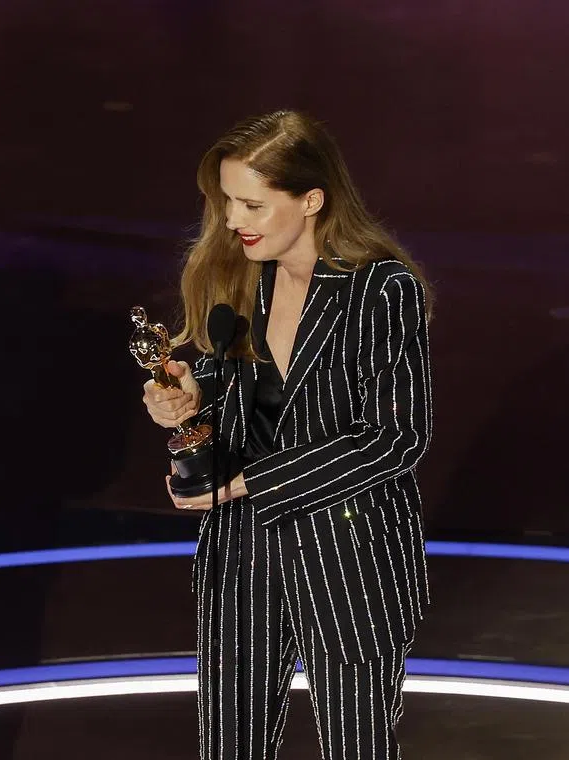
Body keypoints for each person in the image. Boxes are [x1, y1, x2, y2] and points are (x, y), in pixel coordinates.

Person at [142, 110, 433, 760]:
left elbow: (392, 436)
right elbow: (241, 384)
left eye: (251, 203)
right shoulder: (245, 278)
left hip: (350, 557)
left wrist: (249, 481)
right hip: (241, 559)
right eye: (227, 203)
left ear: (311, 199)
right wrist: (189, 397)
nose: (233, 220)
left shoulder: (380, 290)